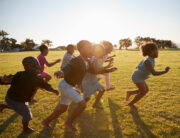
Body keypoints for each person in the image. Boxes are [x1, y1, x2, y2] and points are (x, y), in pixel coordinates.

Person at [42, 40, 117, 132]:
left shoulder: (87, 61)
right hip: (65, 85)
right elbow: (68, 67)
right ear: (82, 50)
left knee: (63, 109)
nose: (92, 50)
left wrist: (108, 70)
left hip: (69, 86)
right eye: (90, 48)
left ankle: (46, 122)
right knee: (82, 105)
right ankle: (68, 123)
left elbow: (94, 71)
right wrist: (62, 72)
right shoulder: (76, 60)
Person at [1, 57, 59, 133]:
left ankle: (2, 106)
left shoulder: (39, 77)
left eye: (37, 65)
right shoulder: (20, 75)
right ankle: (25, 129)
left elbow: (44, 85)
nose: (37, 67)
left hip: (20, 99)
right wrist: (3, 80)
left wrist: (52, 90)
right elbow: (8, 79)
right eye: (33, 65)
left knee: (20, 109)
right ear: (26, 67)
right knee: (27, 115)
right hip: (13, 99)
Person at [126, 42, 170, 108]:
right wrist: (165, 71)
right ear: (151, 51)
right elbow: (154, 73)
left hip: (139, 77)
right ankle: (131, 104)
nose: (158, 52)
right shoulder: (148, 61)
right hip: (137, 77)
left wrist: (140, 68)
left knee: (146, 90)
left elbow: (138, 66)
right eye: (156, 50)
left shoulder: (150, 59)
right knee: (143, 92)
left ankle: (130, 93)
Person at [81, 44, 116, 109]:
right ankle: (78, 108)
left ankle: (95, 104)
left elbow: (98, 70)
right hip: (88, 80)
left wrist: (108, 70)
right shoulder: (93, 59)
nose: (104, 52)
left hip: (93, 79)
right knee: (86, 99)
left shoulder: (100, 58)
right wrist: (107, 67)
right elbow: (95, 71)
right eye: (103, 51)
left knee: (102, 90)